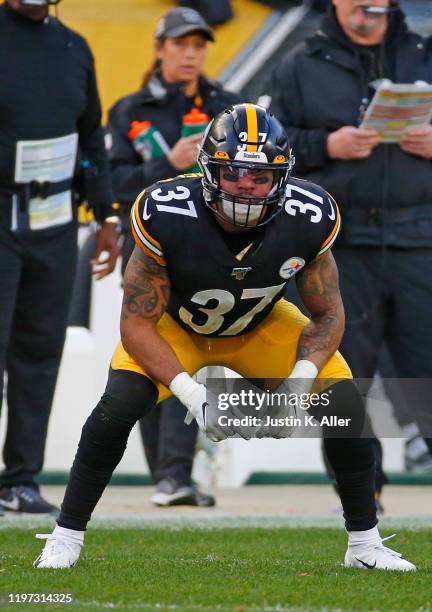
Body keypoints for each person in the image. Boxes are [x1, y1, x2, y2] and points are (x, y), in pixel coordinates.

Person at [33, 103, 415, 571]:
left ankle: (364, 544)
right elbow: (136, 322)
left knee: (344, 406)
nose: (246, 187)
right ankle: (66, 534)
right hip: (180, 326)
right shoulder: (166, 209)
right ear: (209, 168)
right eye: (233, 172)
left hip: (262, 324)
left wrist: (300, 378)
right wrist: (192, 395)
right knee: (117, 404)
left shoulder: (308, 213)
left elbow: (329, 314)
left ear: (283, 177)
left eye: (260, 177)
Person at [268, 0, 432, 495]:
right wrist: (327, 147)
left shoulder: (429, 56)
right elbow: (273, 146)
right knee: (341, 375)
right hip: (338, 243)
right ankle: (360, 493)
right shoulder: (300, 63)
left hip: (418, 236)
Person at [106, 6, 240, 506]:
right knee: (148, 356)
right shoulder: (127, 110)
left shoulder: (226, 106)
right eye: (181, 44)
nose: (190, 54)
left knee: (198, 357)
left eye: (198, 45)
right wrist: (169, 164)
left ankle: (175, 476)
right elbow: (113, 185)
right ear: (160, 47)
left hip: (209, 251)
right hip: (144, 247)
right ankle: (166, 476)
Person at [0, 0, 119, 515]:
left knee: (39, 352)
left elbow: (91, 134)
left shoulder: (73, 46)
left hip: (55, 219)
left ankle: (18, 479)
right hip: (2, 208)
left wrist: (108, 215)